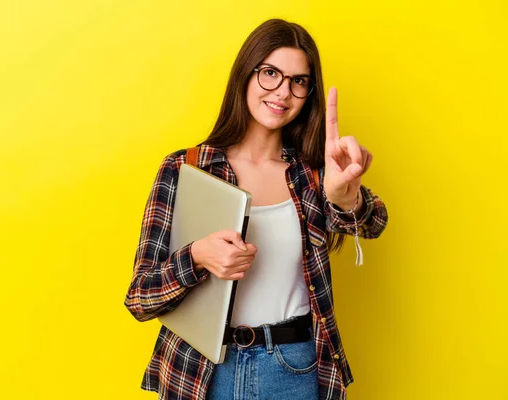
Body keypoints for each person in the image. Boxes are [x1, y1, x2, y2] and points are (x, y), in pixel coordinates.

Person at [124, 18, 388, 400]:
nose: (283, 91)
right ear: (245, 76)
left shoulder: (312, 177)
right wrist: (197, 256)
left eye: (298, 81)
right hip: (202, 372)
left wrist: (345, 197)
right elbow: (139, 298)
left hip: (294, 368)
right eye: (270, 73)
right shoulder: (188, 169)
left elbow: (374, 222)